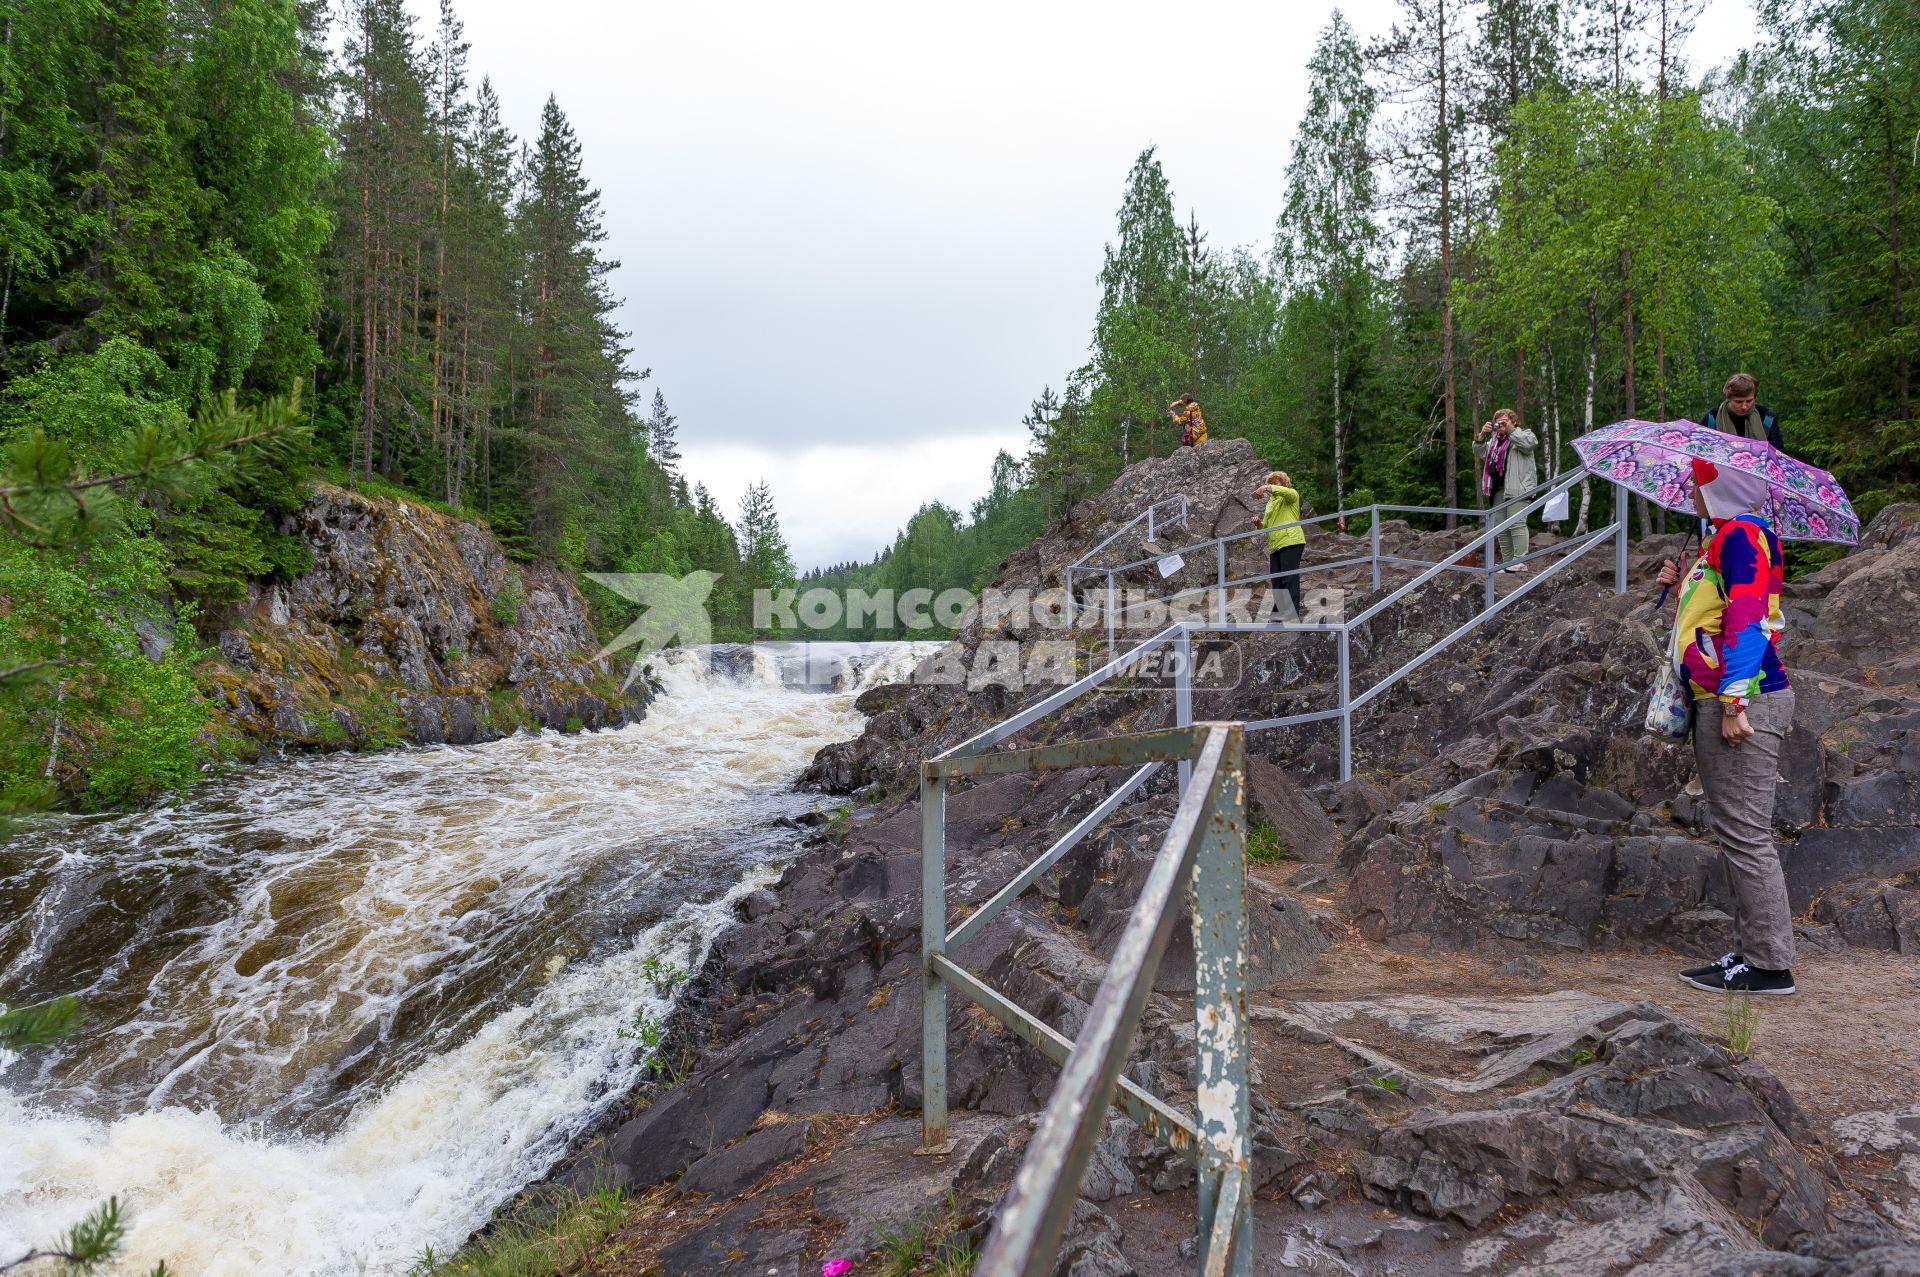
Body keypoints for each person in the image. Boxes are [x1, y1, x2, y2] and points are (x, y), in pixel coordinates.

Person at [1658, 457, 1797, 997]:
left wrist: (1735, 699)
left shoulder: (1740, 536)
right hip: (1727, 696)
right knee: (1737, 830)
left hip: (1745, 700)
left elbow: (1747, 616)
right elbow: (1711, 617)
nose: (1692, 491)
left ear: (1725, 488)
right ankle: (1752, 953)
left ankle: (1769, 965)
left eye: (1700, 482)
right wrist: (1678, 587)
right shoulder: (1729, 537)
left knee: (1745, 833)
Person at [1473, 408, 1537, 573]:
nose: (1500, 426)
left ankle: (1520, 561)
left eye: (1504, 422)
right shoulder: (1495, 442)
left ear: (1514, 422)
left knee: (1517, 524)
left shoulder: (1524, 435)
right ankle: (1507, 563)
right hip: (1499, 489)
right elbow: (1480, 453)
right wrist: (1480, 438)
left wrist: (1510, 431)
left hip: (1519, 488)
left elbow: (1528, 445)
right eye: (1498, 422)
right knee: (1501, 528)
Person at [1253, 470, 1306, 620]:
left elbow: (1287, 494)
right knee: (1277, 581)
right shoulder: (1270, 504)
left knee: (1289, 578)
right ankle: (1278, 615)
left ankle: (1291, 615)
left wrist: (1267, 488)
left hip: (1291, 540)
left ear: (1283, 483)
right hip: (1275, 544)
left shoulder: (1291, 495)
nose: (1273, 484)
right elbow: (1267, 526)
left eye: (1277, 481)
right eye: (1271, 481)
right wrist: (1259, 524)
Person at [1702, 372, 1784, 450]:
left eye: (1749, 401)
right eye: (1738, 402)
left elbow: (1778, 453)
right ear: (1729, 398)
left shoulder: (1767, 418)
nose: (1744, 407)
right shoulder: (1711, 418)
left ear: (1754, 397)